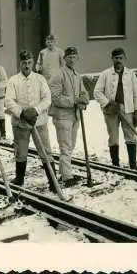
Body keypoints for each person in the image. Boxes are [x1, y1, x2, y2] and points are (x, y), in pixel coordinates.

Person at [5, 50, 57, 193]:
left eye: (29, 63)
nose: (27, 66)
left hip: (39, 122)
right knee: (21, 152)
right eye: (24, 63)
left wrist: (35, 110)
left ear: (32, 62)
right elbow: (9, 101)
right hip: (20, 123)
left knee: (45, 152)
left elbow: (47, 99)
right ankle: (19, 178)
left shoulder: (40, 79)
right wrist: (22, 112)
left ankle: (53, 181)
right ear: (20, 64)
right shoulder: (13, 80)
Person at [93, 47, 137, 170]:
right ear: (112, 59)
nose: (118, 60)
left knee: (130, 136)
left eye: (120, 58)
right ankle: (115, 165)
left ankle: (133, 164)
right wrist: (108, 104)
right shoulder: (105, 74)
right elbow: (97, 92)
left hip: (127, 109)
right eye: (116, 58)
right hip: (111, 111)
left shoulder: (130, 74)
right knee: (113, 136)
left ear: (124, 58)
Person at [48, 47, 89, 187]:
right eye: (69, 57)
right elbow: (56, 97)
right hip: (62, 116)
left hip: (75, 116)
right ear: (64, 58)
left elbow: (84, 92)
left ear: (77, 58)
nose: (72, 59)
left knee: (70, 146)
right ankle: (67, 176)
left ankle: (64, 172)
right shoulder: (58, 74)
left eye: (74, 57)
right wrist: (74, 101)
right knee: (65, 147)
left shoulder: (77, 75)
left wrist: (84, 99)